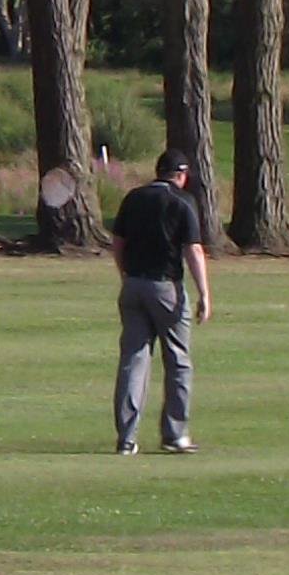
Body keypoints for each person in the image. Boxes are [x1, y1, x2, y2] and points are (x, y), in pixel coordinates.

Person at [111, 149, 215, 456]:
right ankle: (175, 434)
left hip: (133, 285)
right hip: (166, 287)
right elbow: (193, 250)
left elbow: (118, 243)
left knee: (134, 360)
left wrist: (126, 275)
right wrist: (204, 294)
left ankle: (127, 438)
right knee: (178, 361)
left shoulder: (134, 198)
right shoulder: (182, 202)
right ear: (181, 175)